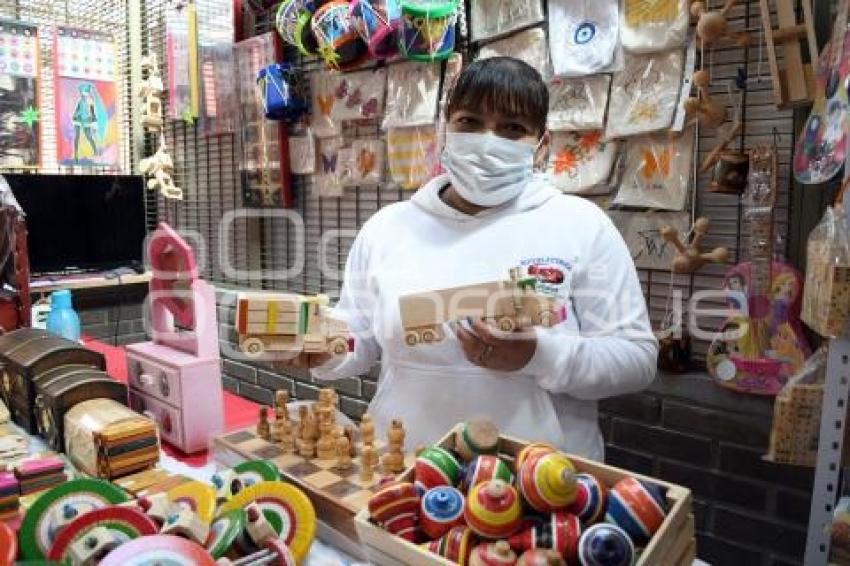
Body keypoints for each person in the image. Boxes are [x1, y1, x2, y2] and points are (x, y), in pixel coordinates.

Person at [287, 57, 657, 460]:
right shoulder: (387, 228)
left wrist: (540, 355)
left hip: (538, 483)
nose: (487, 139)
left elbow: (636, 358)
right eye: (470, 122)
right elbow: (360, 335)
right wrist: (326, 350)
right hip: (405, 469)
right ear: (446, 129)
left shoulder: (582, 226)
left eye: (512, 128)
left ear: (541, 144)